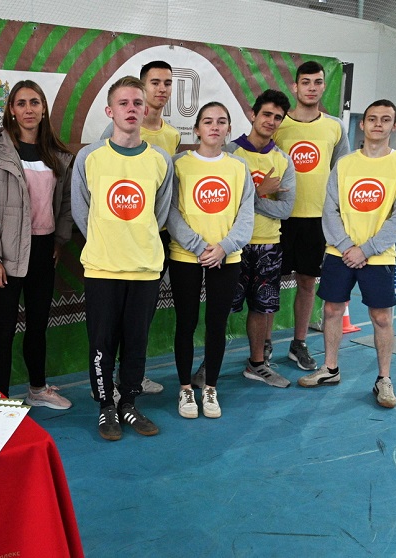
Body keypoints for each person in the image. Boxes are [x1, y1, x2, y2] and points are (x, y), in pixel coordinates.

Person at [72, 76, 173, 440]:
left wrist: (136, 239)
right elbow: (81, 210)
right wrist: (108, 240)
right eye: (124, 103)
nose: (131, 109)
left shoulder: (160, 160)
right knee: (102, 345)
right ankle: (106, 407)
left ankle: (128, 403)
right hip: (102, 268)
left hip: (145, 269)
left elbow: (160, 214)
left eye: (137, 103)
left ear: (146, 110)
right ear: (109, 111)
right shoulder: (89, 157)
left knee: (136, 343)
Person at [299, 100, 396, 409]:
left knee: (381, 317)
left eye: (385, 119)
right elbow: (330, 209)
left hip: (378, 256)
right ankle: (330, 369)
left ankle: (384, 379)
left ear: (395, 126)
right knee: (332, 310)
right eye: (372, 119)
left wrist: (365, 249)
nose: (378, 124)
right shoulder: (344, 164)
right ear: (362, 124)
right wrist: (346, 246)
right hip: (340, 252)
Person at [0, 79, 75, 409]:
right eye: (21, 103)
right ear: (12, 111)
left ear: (44, 109)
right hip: (7, 254)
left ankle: (37, 389)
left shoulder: (57, 156)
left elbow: (65, 204)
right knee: (4, 329)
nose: (28, 109)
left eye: (34, 102)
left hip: (43, 251)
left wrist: (59, 240)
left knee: (37, 327)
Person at [167, 102, 254, 419]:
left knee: (217, 325)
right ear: (196, 129)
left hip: (226, 258)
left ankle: (211, 388)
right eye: (207, 121)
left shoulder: (238, 167)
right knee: (186, 323)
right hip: (185, 256)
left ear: (228, 128)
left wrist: (224, 247)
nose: (214, 126)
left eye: (221, 121)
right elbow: (170, 211)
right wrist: (199, 246)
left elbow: (246, 215)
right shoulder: (179, 164)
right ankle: (185, 389)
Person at [100, 60, 180, 396]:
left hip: (151, 241)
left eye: (167, 83)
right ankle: (109, 386)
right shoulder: (112, 135)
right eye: (155, 82)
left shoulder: (172, 136)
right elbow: (97, 193)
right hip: (114, 245)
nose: (161, 88)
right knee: (112, 322)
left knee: (140, 319)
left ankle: (133, 375)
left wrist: (150, 227)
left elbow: (165, 197)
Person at [272, 60, 350, 370]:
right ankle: (263, 344)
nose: (312, 88)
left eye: (317, 82)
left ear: (323, 86)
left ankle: (299, 343)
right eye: (305, 82)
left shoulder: (335, 127)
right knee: (270, 283)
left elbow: (342, 173)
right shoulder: (278, 124)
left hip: (316, 220)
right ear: (295, 86)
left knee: (307, 283)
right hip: (278, 218)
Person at [224, 90, 296, 388]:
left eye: (278, 117)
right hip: (233, 245)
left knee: (261, 308)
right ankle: (209, 363)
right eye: (266, 114)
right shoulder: (230, 152)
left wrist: (252, 196)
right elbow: (223, 202)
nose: (271, 121)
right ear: (253, 114)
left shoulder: (283, 160)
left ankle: (257, 364)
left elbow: (285, 209)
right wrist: (262, 192)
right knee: (221, 307)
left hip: (268, 244)